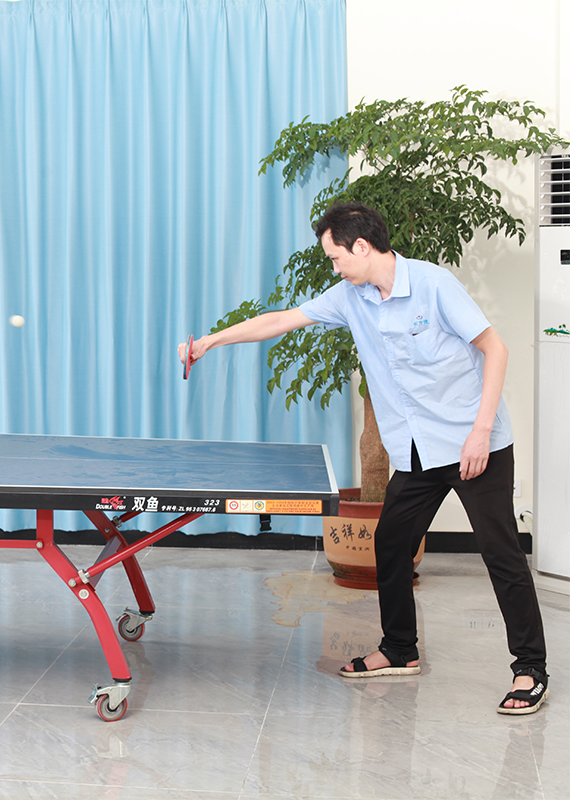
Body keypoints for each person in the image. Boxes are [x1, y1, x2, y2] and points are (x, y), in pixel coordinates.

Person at [179, 202, 548, 714]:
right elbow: (282, 320)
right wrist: (211, 341)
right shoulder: (350, 297)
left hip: (473, 441)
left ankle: (530, 668)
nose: (334, 268)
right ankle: (399, 649)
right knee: (390, 544)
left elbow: (496, 349)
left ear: (361, 246)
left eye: (335, 257)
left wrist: (481, 432)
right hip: (417, 449)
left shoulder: (433, 285)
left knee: (500, 553)